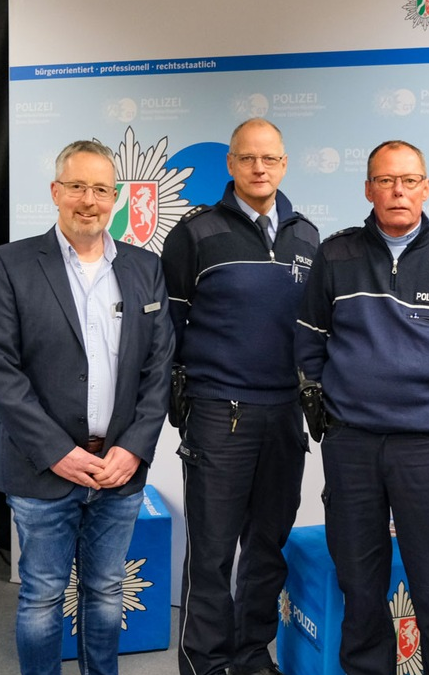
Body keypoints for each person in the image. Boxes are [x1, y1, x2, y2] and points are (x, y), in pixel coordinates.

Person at [296, 140, 429, 675]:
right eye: (386, 181)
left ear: (426, 188)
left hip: (427, 450)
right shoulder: (335, 255)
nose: (398, 191)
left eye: (409, 180)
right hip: (352, 447)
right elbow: (309, 343)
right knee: (360, 589)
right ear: (368, 189)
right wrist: (336, 406)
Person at [0, 140, 174, 675]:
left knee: (107, 594)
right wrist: (56, 452)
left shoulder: (143, 268)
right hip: (42, 470)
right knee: (41, 598)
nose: (90, 200)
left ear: (117, 197)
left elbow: (159, 370)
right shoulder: (8, 264)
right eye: (78, 187)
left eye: (102, 189)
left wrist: (133, 450)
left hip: (118, 471)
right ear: (56, 192)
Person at [161, 118, 319, 675]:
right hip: (217, 416)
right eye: (248, 158)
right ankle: (203, 664)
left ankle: (252, 656)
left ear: (284, 164)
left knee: (267, 549)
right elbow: (169, 328)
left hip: (284, 416)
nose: (260, 168)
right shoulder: (195, 233)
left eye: (270, 159)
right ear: (230, 165)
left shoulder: (307, 235)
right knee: (210, 553)